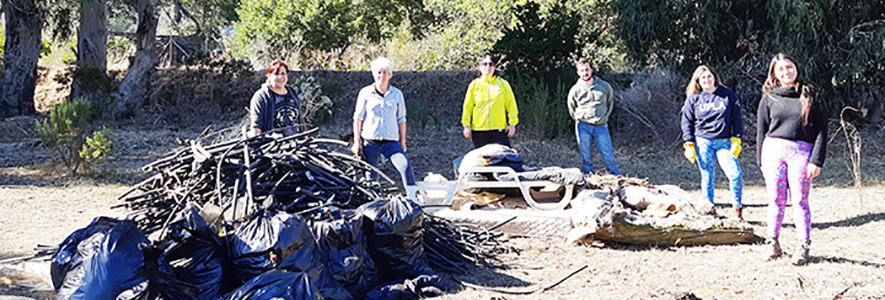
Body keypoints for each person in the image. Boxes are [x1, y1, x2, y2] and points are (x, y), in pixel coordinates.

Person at [757, 53, 827, 266]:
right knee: (776, 200)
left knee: (799, 201)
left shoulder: (813, 94)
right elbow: (761, 130)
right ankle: (773, 243)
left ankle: (803, 246)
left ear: (796, 67)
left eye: (789, 67)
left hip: (801, 153)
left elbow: (822, 131)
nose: (785, 71)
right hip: (773, 152)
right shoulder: (769, 97)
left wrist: (817, 161)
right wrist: (760, 160)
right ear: (774, 73)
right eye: (780, 69)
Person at [681, 65, 744, 220]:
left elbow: (737, 118)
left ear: (714, 77)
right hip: (702, 142)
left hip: (724, 143)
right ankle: (709, 211)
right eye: (703, 78)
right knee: (707, 176)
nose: (707, 80)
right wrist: (689, 143)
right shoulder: (694, 99)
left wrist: (737, 138)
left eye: (709, 76)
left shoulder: (727, 95)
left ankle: (738, 210)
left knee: (735, 175)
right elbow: (687, 121)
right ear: (698, 81)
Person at [351, 57, 416, 186]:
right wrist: (357, 141)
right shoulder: (365, 93)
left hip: (391, 141)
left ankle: (413, 197)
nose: (382, 76)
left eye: (385, 72)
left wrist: (403, 142)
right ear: (374, 74)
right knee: (371, 176)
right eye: (379, 72)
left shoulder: (397, 94)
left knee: (405, 167)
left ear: (390, 75)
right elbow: (358, 118)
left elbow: (401, 119)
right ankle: (372, 200)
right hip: (370, 142)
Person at [567, 59, 620, 175]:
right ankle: (588, 179)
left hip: (601, 126)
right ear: (578, 73)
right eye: (582, 70)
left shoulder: (604, 86)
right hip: (583, 126)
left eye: (587, 69)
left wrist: (603, 117)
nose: (585, 73)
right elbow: (571, 108)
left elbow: (610, 104)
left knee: (608, 155)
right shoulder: (575, 90)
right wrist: (580, 118)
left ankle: (616, 178)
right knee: (586, 157)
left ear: (591, 70)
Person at [461, 55, 519, 148]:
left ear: (494, 68)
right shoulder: (474, 85)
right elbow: (467, 107)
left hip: (499, 130)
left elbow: (511, 104)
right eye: (485, 64)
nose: (488, 67)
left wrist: (512, 124)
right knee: (484, 160)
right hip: (479, 131)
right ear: (480, 67)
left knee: (503, 159)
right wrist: (466, 126)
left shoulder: (503, 84)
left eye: (491, 64)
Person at [248, 60, 304, 137]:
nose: (280, 77)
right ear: (269, 76)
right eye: (276, 74)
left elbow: (300, 121)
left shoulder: (292, 94)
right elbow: (256, 126)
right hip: (274, 145)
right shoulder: (261, 97)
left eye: (283, 74)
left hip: (297, 143)